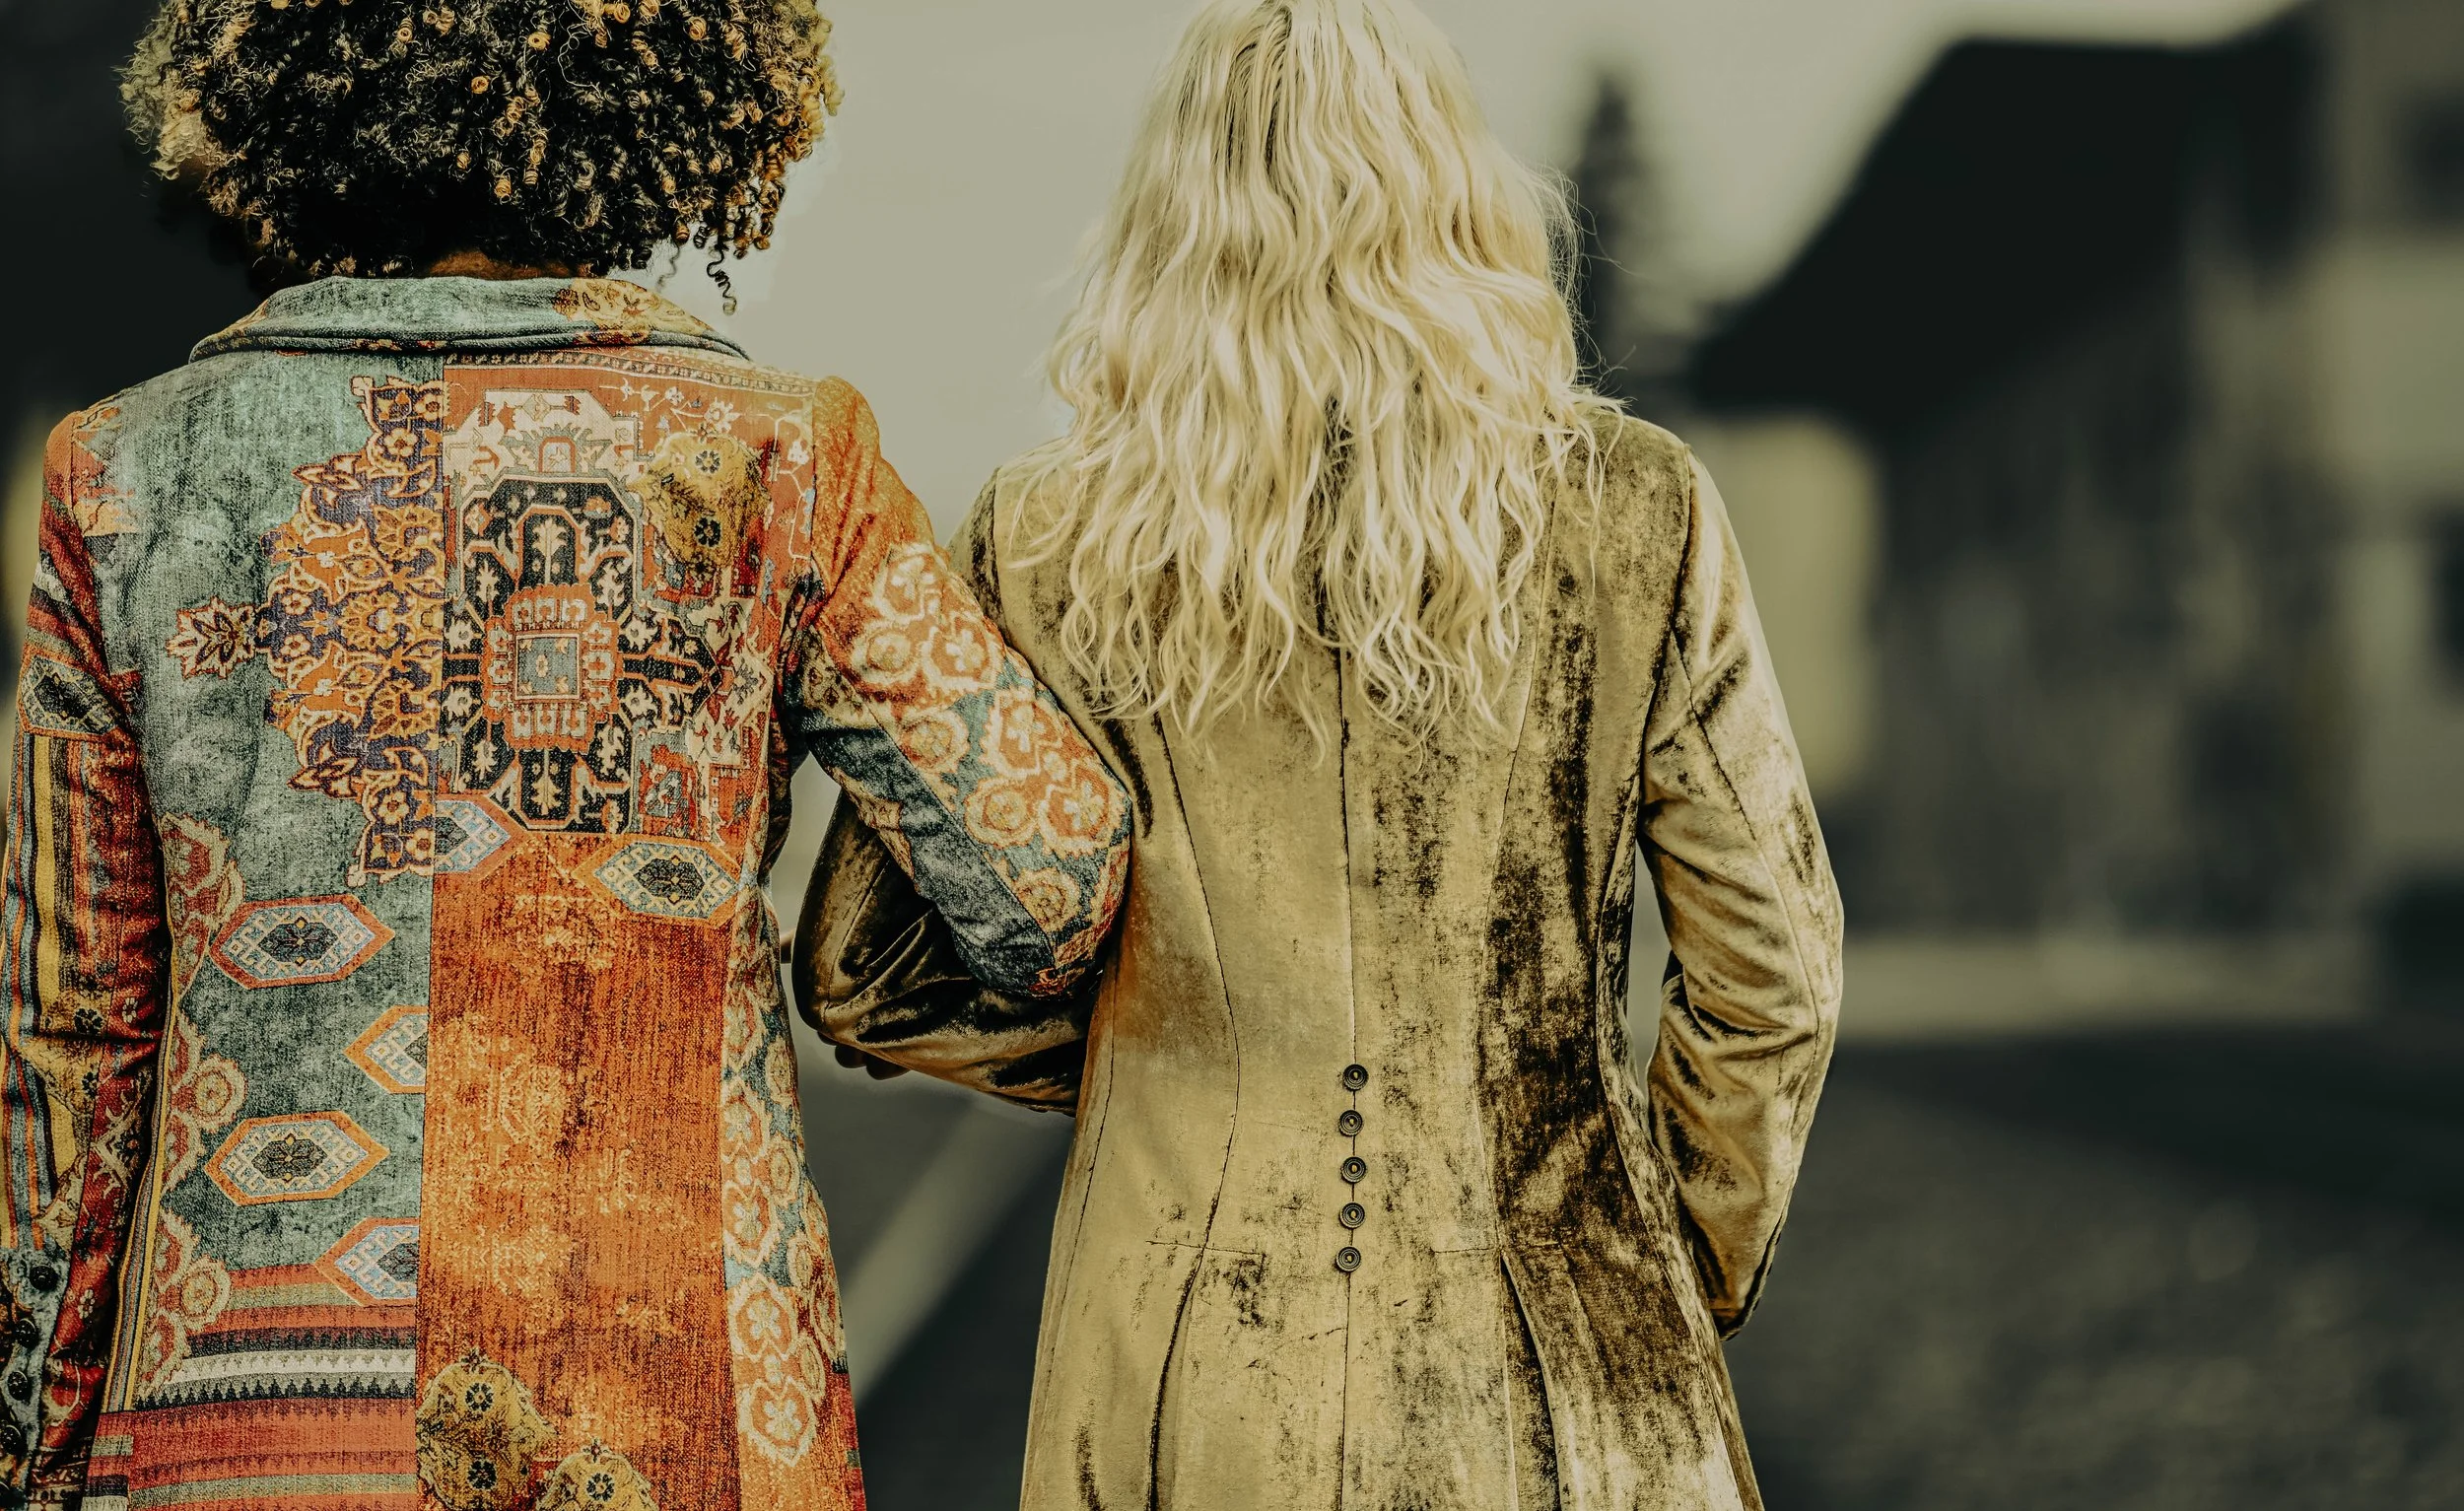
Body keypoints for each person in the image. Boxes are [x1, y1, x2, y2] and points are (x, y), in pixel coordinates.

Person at [0, 2, 1131, 1506]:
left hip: (243, 1419)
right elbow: (1046, 886)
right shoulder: (788, 457)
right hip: (677, 1394)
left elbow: (75, 1031)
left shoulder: (123, 469)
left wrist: (40, 1437)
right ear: (693, 112)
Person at [797, 1, 1844, 1508]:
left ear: (1173, 210)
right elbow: (1774, 974)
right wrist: (1666, 1276)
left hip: (1177, 1368)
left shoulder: (1039, 541)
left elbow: (866, 969)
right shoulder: (1639, 509)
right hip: (1559, 1360)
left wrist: (1158, 1061)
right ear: (1460, 190)